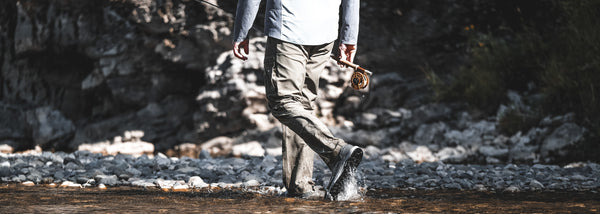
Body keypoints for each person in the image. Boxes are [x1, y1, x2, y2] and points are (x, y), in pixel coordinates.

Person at [232, 0, 363, 200]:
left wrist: (242, 31)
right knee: (302, 105)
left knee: (283, 102)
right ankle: (300, 186)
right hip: (325, 32)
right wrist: (349, 35)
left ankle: (337, 152)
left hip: (288, 30)